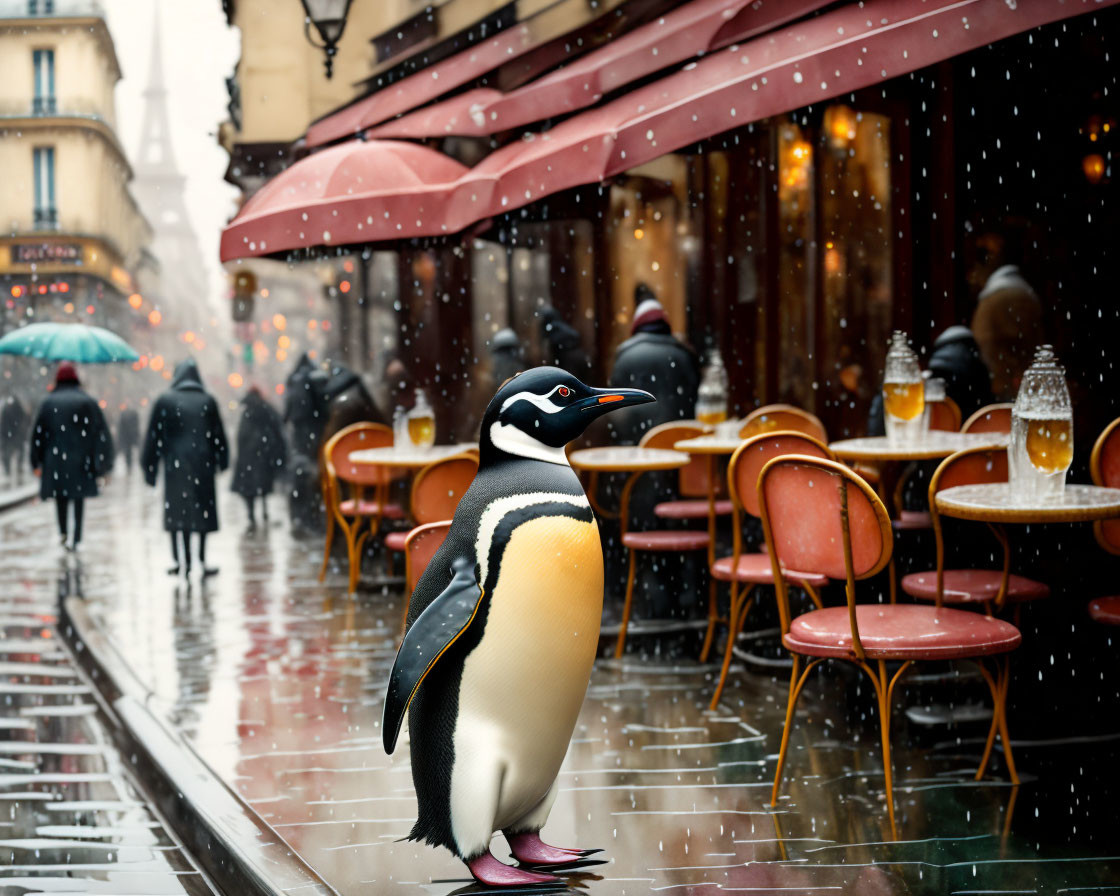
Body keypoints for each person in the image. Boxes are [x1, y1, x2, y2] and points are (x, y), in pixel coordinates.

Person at [142, 359, 229, 577]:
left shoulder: (165, 401)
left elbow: (154, 438)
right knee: (201, 514)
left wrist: (150, 468)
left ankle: (180, 562)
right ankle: (201, 559)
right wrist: (222, 461)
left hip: (175, 466)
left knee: (178, 515)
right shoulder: (207, 401)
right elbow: (219, 436)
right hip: (203, 465)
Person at [28, 363, 113, 551]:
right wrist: (104, 464)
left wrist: (36, 461)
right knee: (78, 498)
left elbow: (38, 436)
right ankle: (76, 537)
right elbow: (100, 434)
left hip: (55, 460)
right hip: (81, 460)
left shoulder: (48, 403)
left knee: (61, 498)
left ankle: (63, 532)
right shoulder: (87, 402)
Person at [604, 286, 700, 444]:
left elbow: (615, 406)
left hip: (637, 449)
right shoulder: (684, 354)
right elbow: (693, 398)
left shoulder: (625, 355)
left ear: (637, 324)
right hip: (679, 446)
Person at [867, 325, 994, 435]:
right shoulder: (979, 372)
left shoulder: (927, 381)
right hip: (966, 457)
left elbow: (876, 426)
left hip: (921, 454)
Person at [971, 264, 1045, 399]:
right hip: (1022, 375)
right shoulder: (1023, 293)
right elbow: (1034, 342)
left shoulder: (990, 300)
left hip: (999, 373)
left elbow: (983, 344)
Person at [230, 387, 287, 531]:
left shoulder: (247, 411)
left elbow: (241, 436)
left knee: (249, 488)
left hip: (248, 456)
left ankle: (251, 513)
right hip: (263, 453)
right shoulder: (267, 409)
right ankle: (264, 510)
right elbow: (278, 427)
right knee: (263, 485)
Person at [283, 352, 328, 460]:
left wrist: (284, 420)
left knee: (301, 451)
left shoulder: (294, 379)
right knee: (316, 451)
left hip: (299, 421)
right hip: (314, 421)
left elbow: (289, 402)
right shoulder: (315, 377)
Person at [539, 306, 593, 380]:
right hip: (577, 356)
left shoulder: (552, 328)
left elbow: (554, 349)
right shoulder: (560, 327)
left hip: (569, 360)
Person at [1, 395, 30, 479]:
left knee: (7, 454)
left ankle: (8, 471)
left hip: (8, 435)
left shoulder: (6, 408)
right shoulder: (18, 407)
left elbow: (3, 423)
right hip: (16, 434)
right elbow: (24, 419)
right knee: (19, 451)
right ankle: (18, 468)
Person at [116, 405, 141, 473]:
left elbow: (121, 427)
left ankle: (129, 465)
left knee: (128, 452)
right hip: (129, 436)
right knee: (129, 452)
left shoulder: (123, 415)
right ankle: (129, 465)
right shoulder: (133, 415)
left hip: (127, 437)